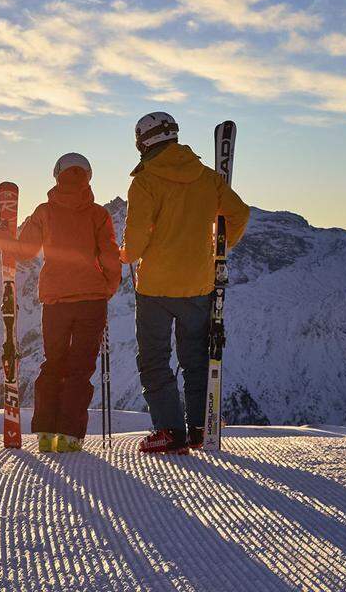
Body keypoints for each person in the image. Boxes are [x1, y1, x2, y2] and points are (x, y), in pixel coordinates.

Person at [122, 112, 250, 454]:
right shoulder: (208, 178)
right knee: (195, 358)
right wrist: (218, 250)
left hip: (155, 288)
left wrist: (125, 255)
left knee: (154, 359)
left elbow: (135, 239)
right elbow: (239, 212)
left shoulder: (145, 181)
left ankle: (169, 431)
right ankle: (198, 428)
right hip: (198, 282)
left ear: (143, 141)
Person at [0, 153, 122, 453]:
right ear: (88, 176)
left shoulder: (44, 212)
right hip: (92, 301)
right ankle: (69, 436)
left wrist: (1, 237)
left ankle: (45, 433)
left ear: (56, 175)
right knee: (80, 368)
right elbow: (110, 256)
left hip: (56, 302)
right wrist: (108, 288)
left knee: (54, 364)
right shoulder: (98, 214)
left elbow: (24, 251)